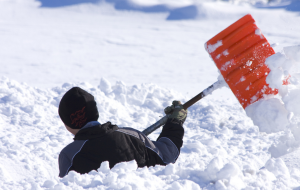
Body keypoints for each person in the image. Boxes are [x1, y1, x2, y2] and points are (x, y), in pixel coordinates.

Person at [58, 87, 187, 178]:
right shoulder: (132, 136)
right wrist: (175, 121)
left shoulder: (69, 155)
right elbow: (167, 155)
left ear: (67, 123)